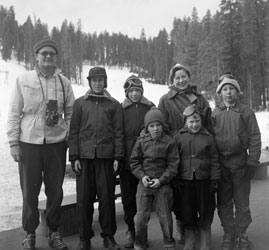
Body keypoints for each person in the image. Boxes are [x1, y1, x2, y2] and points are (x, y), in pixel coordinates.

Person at [7, 36, 75, 250]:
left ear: (56, 58)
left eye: (51, 53)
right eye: (43, 53)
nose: (47, 56)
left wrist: (70, 139)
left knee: (55, 190)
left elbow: (71, 112)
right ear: (36, 56)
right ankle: (30, 233)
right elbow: (14, 113)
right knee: (29, 191)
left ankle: (54, 232)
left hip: (56, 143)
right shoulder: (23, 79)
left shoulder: (64, 82)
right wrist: (13, 143)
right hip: (29, 143)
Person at [68, 66, 124, 250]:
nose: (98, 83)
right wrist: (74, 156)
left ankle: (108, 237)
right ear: (90, 82)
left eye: (101, 80)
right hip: (84, 159)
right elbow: (74, 131)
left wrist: (118, 156)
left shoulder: (114, 105)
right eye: (94, 80)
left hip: (106, 158)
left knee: (107, 199)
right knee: (84, 199)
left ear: (105, 82)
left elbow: (118, 132)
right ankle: (84, 238)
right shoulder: (80, 104)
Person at [158, 63, 212, 243]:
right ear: (172, 81)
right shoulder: (166, 100)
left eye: (184, 77)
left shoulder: (199, 98)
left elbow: (208, 125)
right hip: (177, 152)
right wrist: (174, 144)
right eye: (177, 78)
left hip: (198, 151)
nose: (181, 80)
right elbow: (163, 128)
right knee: (181, 194)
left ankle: (201, 230)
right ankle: (183, 227)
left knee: (200, 196)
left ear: (189, 78)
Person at [212, 73, 261, 250]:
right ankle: (229, 234)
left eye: (231, 89)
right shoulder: (215, 113)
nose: (228, 92)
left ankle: (242, 234)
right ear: (220, 92)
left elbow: (255, 137)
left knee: (241, 202)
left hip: (240, 163)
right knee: (224, 203)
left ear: (237, 92)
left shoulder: (246, 112)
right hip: (222, 164)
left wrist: (252, 162)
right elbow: (211, 139)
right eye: (225, 89)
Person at [130, 108, 179, 250]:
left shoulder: (169, 142)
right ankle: (140, 242)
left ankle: (169, 241)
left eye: (158, 125)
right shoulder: (141, 142)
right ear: (147, 128)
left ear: (163, 126)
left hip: (162, 183)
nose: (155, 129)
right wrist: (142, 176)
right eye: (151, 126)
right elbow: (134, 162)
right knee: (140, 217)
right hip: (144, 183)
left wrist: (162, 180)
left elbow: (173, 165)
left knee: (165, 215)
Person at [173, 105, 220, 250]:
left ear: (201, 121)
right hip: (185, 181)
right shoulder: (178, 137)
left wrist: (214, 179)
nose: (194, 125)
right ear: (185, 122)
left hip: (204, 181)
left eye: (197, 121)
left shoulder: (208, 137)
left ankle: (205, 242)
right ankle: (190, 241)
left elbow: (215, 159)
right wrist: (175, 178)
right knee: (188, 210)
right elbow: (174, 159)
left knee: (205, 210)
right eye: (191, 122)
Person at [120, 75, 155, 248]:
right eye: (131, 91)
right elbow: (117, 134)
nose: (134, 94)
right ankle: (130, 230)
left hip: (146, 162)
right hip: (127, 163)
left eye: (137, 91)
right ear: (127, 92)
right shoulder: (121, 109)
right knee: (128, 198)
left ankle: (142, 232)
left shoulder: (149, 108)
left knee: (144, 199)